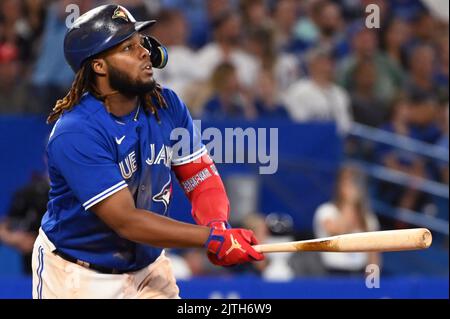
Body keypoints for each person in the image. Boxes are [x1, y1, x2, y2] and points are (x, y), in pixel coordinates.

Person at [31, 4, 264, 299]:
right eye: (128, 47)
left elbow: (200, 176)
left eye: (141, 43)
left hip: (148, 268)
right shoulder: (76, 131)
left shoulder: (166, 104)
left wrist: (217, 225)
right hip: (78, 274)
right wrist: (210, 238)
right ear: (99, 66)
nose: (144, 52)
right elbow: (126, 221)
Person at [313, 166, 381, 276]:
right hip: (333, 273)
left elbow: (373, 253)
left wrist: (372, 279)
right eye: (348, 182)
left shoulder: (368, 217)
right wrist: (349, 202)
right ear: (340, 185)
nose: (352, 186)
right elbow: (336, 231)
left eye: (355, 182)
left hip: (358, 273)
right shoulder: (326, 211)